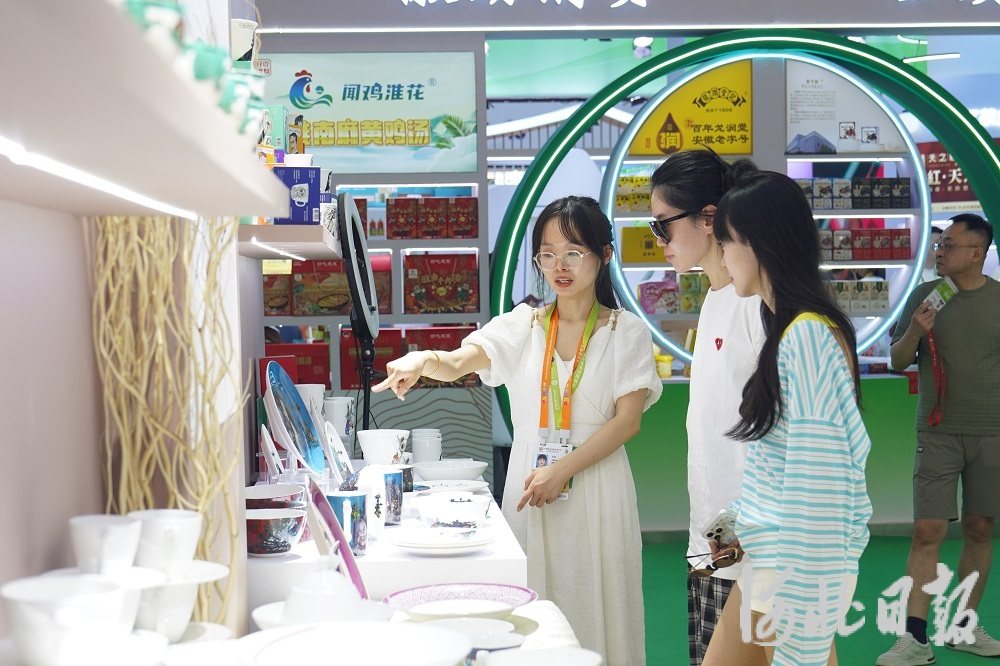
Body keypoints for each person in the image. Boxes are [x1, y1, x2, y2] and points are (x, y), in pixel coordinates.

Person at [373, 195, 662, 665]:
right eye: (547, 254)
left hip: (597, 486)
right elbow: (461, 361)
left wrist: (561, 470)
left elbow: (628, 421)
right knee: (530, 610)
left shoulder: (626, 331)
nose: (559, 266)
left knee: (603, 602)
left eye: (573, 252)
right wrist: (423, 360)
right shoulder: (523, 325)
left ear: (604, 255)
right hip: (531, 483)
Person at [700, 171, 872, 666]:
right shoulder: (792, 330)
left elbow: (820, 487)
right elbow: (784, 465)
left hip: (790, 568)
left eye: (726, 243)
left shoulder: (806, 337)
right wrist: (740, 525)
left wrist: (802, 598)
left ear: (758, 243)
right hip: (771, 556)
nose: (722, 257)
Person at [648, 149, 764, 666]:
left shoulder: (759, 305)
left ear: (709, 218)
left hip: (751, 542)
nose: (659, 240)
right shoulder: (717, 297)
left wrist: (745, 529)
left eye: (663, 225)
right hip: (713, 536)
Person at [877, 213, 1000, 665]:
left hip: (993, 432)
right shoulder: (926, 296)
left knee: (980, 528)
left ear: (976, 253)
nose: (939, 251)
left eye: (949, 245)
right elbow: (896, 360)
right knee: (927, 530)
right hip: (937, 431)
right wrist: (915, 330)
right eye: (939, 244)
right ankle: (914, 638)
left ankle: (964, 627)